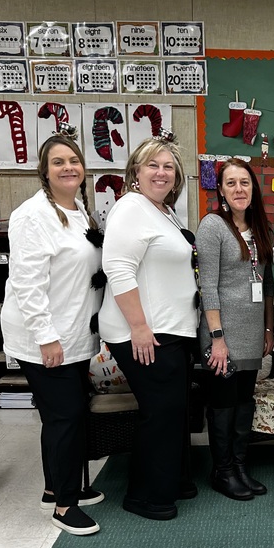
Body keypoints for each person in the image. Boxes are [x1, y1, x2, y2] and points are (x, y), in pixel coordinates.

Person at [1, 131, 103, 536]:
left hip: (74, 333)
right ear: (44, 171)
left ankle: (55, 487)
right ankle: (64, 505)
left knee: (62, 415)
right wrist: (46, 337)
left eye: (73, 161)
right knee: (66, 416)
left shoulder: (78, 209)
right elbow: (27, 283)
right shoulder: (32, 216)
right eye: (58, 162)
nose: (68, 168)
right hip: (43, 335)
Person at [100, 132, 199, 522]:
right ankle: (145, 496)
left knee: (171, 412)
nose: (162, 172)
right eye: (153, 165)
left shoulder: (162, 212)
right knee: (159, 413)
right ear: (135, 172)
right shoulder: (130, 207)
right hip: (145, 333)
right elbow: (118, 268)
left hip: (171, 332)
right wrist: (139, 327)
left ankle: (170, 481)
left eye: (169, 167)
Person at [197, 158, 274, 501]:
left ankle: (240, 465)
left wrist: (268, 330)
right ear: (221, 190)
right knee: (223, 403)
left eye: (245, 182)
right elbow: (208, 287)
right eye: (231, 183)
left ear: (253, 189)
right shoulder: (213, 226)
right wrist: (217, 339)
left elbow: (268, 285)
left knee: (245, 401)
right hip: (222, 335)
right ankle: (223, 470)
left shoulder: (261, 228)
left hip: (252, 332)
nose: (239, 189)